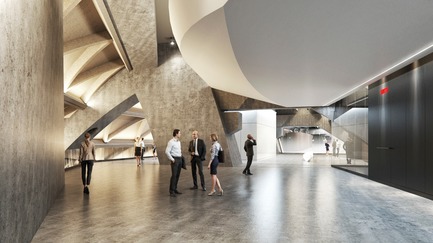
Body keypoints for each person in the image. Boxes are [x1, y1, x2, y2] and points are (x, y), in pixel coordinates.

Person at [165, 129, 183, 197]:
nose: (180, 134)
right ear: (176, 134)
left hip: (179, 159)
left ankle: (175, 189)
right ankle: (171, 191)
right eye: (179, 133)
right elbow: (167, 151)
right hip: (175, 160)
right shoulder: (171, 142)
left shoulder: (178, 142)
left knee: (177, 175)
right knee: (174, 176)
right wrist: (172, 159)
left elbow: (179, 150)